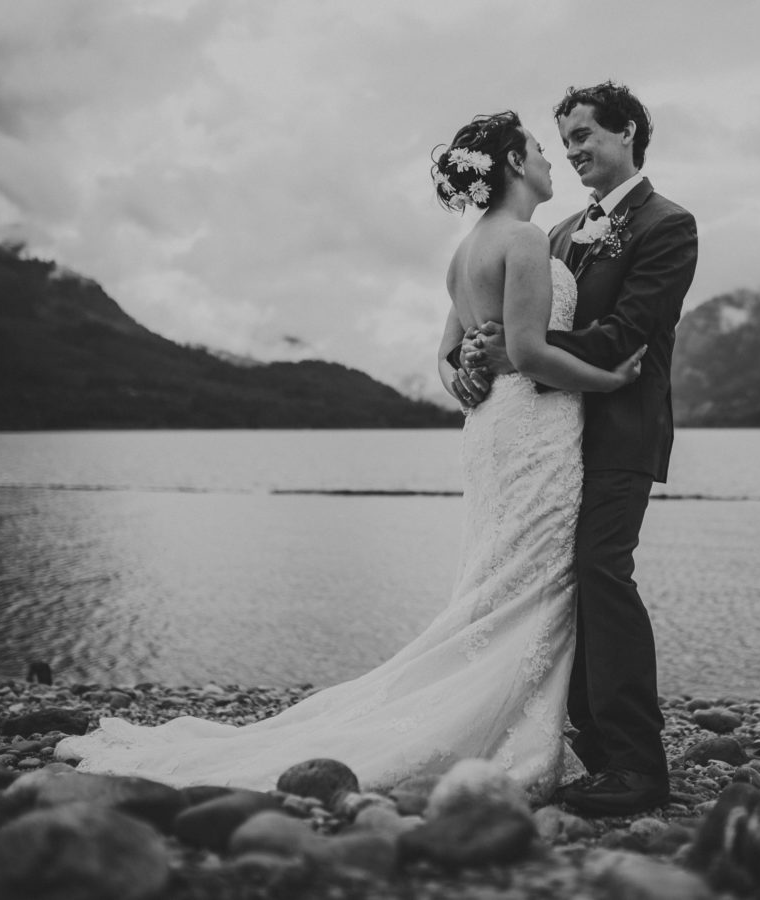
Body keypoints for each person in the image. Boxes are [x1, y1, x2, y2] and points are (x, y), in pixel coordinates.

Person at [55, 111, 643, 801]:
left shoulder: (464, 252)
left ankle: (518, 709)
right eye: (541, 149)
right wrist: (611, 379)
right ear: (513, 164)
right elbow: (532, 352)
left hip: (489, 432)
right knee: (535, 576)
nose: (551, 160)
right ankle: (504, 723)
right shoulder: (522, 238)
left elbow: (447, 355)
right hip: (534, 428)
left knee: (497, 574)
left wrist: (464, 374)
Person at [454, 82, 698, 816]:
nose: (573, 152)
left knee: (601, 572)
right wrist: (477, 351)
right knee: (563, 581)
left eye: (586, 135)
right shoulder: (554, 235)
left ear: (627, 132)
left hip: (623, 430)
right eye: (563, 142)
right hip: (552, 441)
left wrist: (519, 349)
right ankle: (589, 742)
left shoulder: (668, 225)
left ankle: (637, 763)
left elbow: (629, 334)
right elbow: (512, 322)